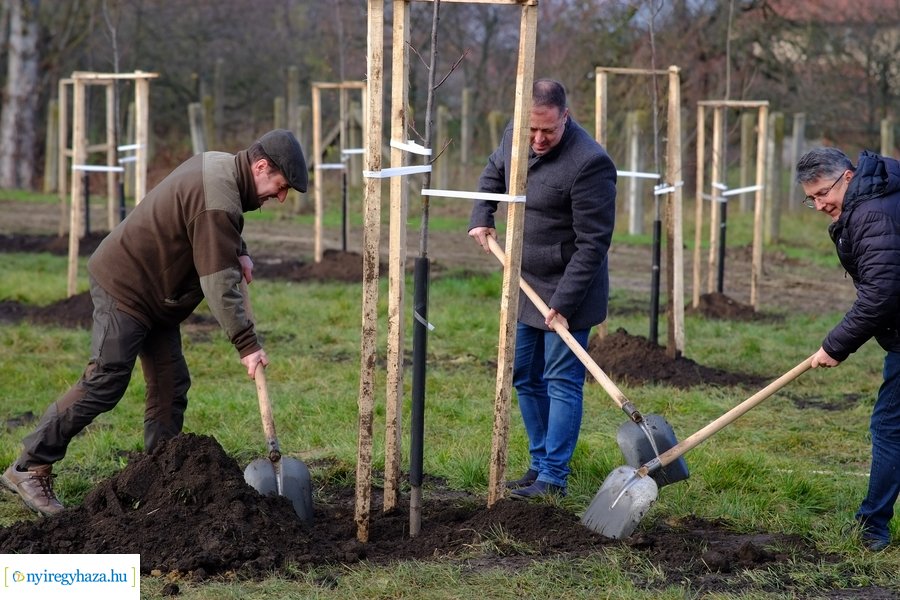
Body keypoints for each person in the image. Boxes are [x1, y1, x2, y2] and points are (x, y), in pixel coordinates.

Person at [1, 129, 308, 516]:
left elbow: (214, 226)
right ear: (261, 166)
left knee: (170, 383)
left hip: (157, 296)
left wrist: (239, 250)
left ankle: (161, 478)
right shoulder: (218, 197)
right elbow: (218, 281)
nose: (280, 198)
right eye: (281, 187)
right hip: (127, 287)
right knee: (107, 378)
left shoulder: (220, 166)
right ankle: (29, 466)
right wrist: (247, 344)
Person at [468, 79, 617, 499]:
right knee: (524, 375)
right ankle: (538, 463)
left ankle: (554, 477)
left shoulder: (590, 163)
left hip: (571, 289)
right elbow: (493, 172)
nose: (537, 139)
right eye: (531, 129)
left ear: (565, 117)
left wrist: (563, 303)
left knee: (561, 380)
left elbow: (593, 244)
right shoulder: (515, 135)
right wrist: (482, 215)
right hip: (525, 282)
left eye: (547, 131)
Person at [796, 146, 900, 552]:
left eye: (823, 193)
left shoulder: (872, 213)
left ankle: (872, 528)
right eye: (812, 199)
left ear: (848, 177)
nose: (820, 204)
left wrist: (835, 345)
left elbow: (881, 293)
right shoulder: (878, 197)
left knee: (889, 428)